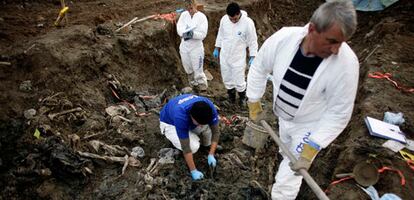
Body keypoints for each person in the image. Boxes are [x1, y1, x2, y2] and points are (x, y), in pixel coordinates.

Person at [246, 1, 358, 199]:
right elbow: (260, 66)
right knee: (285, 152)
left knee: (289, 176)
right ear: (312, 29)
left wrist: (312, 146)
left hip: (309, 126)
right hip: (283, 117)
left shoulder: (346, 64)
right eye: (331, 41)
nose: (335, 50)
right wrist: (253, 100)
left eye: (341, 43)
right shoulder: (284, 39)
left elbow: (339, 112)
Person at [159, 94, 220, 180]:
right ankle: (173, 139)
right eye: (199, 123)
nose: (201, 126)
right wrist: (193, 171)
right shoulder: (180, 116)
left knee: (209, 128)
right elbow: (186, 148)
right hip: (170, 123)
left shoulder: (209, 106)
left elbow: (216, 132)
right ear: (191, 116)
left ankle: (206, 146)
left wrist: (211, 154)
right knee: (193, 146)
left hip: (188, 119)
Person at [213, 2, 258, 106]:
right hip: (225, 55)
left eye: (235, 19)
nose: (233, 21)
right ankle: (231, 98)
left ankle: (243, 98)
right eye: (231, 19)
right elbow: (220, 34)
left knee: (239, 79)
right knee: (227, 78)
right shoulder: (224, 19)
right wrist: (217, 48)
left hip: (238, 56)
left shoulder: (247, 23)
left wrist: (253, 56)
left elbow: (252, 41)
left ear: (239, 14)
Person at [176, 0, 209, 91]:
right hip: (185, 46)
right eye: (188, 9)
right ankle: (193, 86)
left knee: (197, 69)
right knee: (188, 68)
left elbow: (203, 33)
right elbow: (179, 27)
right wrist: (184, 33)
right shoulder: (184, 15)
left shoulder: (201, 17)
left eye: (191, 8)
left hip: (196, 47)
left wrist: (192, 34)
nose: (190, 10)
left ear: (195, 6)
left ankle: (202, 87)